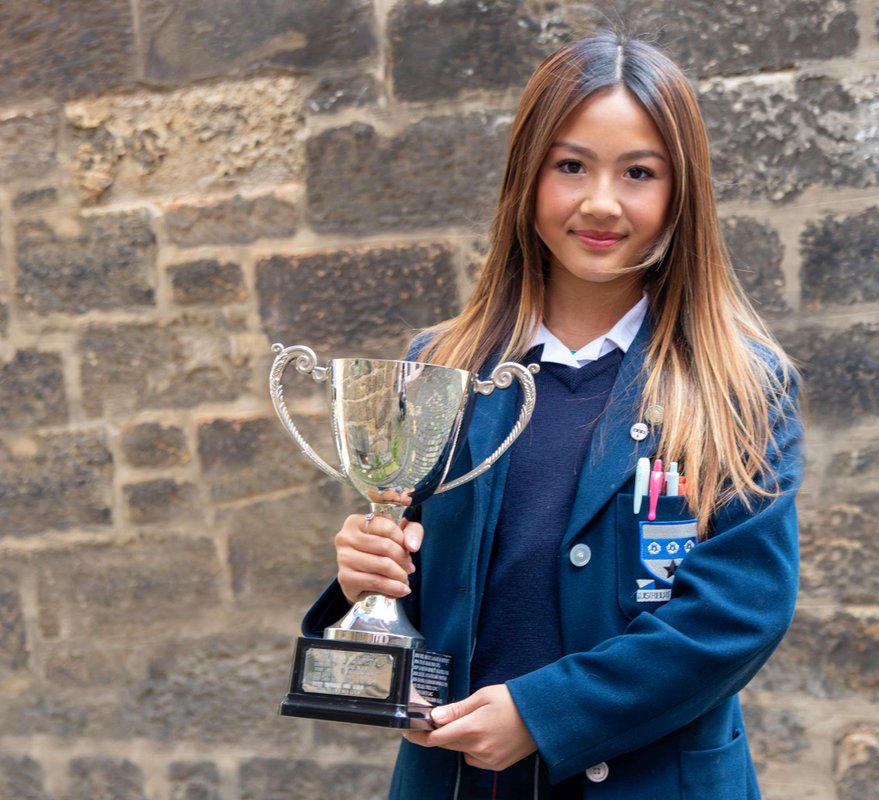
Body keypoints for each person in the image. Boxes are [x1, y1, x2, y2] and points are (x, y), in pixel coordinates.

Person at [301, 30, 805, 800]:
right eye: (571, 166)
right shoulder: (441, 365)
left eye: (639, 173)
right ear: (527, 178)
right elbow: (420, 580)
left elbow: (738, 612)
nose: (601, 202)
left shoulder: (739, 383)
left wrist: (543, 714)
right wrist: (368, 575)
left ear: (681, 193)